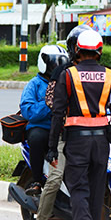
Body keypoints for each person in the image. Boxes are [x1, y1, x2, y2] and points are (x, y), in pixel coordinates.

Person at [46, 29, 111, 220]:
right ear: (99, 51)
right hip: (102, 141)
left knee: (79, 187)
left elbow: (57, 113)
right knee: (96, 185)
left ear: (78, 50)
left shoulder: (68, 75)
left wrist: (52, 147)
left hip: (76, 140)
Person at [32, 26, 91, 220]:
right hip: (65, 136)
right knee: (55, 179)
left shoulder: (99, 72)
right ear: (75, 49)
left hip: (89, 136)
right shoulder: (61, 73)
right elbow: (52, 104)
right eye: (83, 48)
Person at [19, 45, 69, 197]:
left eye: (61, 63)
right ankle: (37, 181)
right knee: (36, 138)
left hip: (65, 128)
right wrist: (49, 104)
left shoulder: (69, 82)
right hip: (43, 127)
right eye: (54, 64)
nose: (57, 68)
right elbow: (28, 111)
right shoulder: (34, 84)